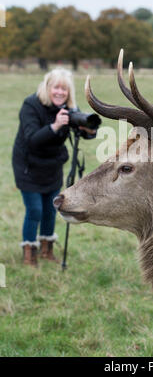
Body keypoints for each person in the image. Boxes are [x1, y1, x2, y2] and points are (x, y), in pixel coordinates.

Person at [12, 68, 95, 266]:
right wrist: (55, 126)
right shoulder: (30, 105)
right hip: (28, 168)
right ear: (48, 87)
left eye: (64, 90)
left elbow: (84, 132)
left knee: (51, 209)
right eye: (56, 88)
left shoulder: (68, 109)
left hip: (52, 168)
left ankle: (46, 250)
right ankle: (29, 253)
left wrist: (88, 130)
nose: (60, 93)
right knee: (35, 211)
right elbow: (32, 139)